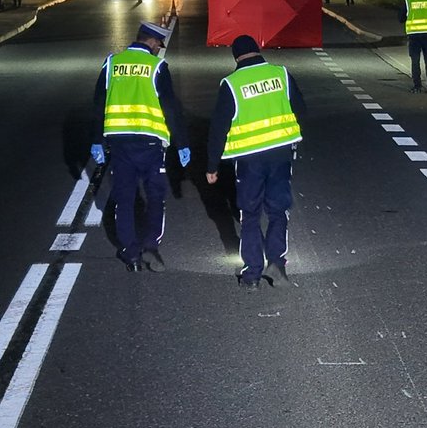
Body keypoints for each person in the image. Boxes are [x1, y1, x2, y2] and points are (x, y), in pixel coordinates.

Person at [205, 35, 308, 290]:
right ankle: (277, 264)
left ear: (236, 57)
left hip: (249, 160)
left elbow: (219, 128)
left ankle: (252, 274)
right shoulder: (281, 74)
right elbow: (301, 110)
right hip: (280, 155)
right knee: (278, 210)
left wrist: (212, 165)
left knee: (250, 214)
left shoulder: (231, 84)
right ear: (258, 50)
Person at [90, 22, 190, 273]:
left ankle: (131, 254)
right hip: (150, 143)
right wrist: (181, 142)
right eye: (159, 45)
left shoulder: (112, 63)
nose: (159, 49)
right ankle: (151, 245)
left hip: (119, 143)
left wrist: (96, 139)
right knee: (155, 195)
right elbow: (170, 107)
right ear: (152, 42)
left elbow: (99, 102)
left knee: (124, 198)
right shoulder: (157, 67)